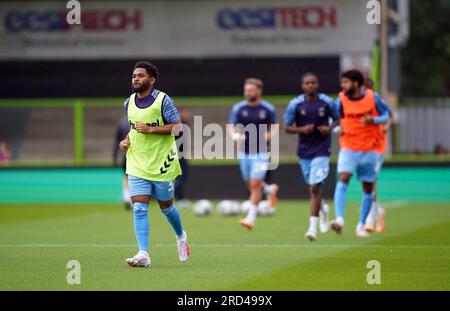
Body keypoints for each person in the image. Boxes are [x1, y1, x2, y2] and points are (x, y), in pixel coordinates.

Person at [119, 61, 190, 267]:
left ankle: (180, 236)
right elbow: (134, 129)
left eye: (140, 75)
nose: (136, 79)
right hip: (137, 162)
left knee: (166, 207)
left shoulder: (163, 100)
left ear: (152, 79)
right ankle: (143, 254)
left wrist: (150, 130)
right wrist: (126, 141)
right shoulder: (128, 102)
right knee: (139, 208)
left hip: (162, 162)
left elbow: (178, 128)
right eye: (134, 76)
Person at [331, 69, 390, 238]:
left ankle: (361, 225)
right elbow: (332, 118)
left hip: (368, 149)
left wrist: (373, 120)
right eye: (342, 82)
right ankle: (340, 219)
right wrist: (337, 129)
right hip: (348, 147)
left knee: (368, 187)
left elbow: (386, 116)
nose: (343, 86)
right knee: (343, 178)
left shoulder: (372, 97)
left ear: (356, 83)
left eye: (346, 82)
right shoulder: (341, 99)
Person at [284, 73, 338, 241]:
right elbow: (287, 127)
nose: (311, 85)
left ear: (317, 84)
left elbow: (339, 119)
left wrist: (329, 128)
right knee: (313, 187)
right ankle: (323, 210)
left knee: (315, 187)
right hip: (304, 151)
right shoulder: (296, 104)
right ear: (303, 86)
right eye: (307, 83)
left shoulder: (327, 102)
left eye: (313, 82)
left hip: (322, 150)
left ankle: (312, 228)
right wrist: (302, 130)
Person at [228, 78, 279, 230]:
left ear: (258, 91)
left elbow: (275, 125)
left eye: (250, 90)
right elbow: (231, 126)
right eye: (246, 90)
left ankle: (250, 218)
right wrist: (235, 135)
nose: (247, 93)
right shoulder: (238, 108)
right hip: (244, 151)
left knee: (255, 183)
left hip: (262, 151)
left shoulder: (268, 108)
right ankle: (270, 190)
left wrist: (270, 135)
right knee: (251, 184)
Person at [363, 77, 393, 233]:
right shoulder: (358, 102)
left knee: (370, 181)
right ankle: (378, 213)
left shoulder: (377, 101)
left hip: (377, 147)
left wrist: (385, 127)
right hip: (363, 147)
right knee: (368, 183)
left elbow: (389, 115)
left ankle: (369, 219)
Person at [113, 115, 132, 209]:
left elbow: (117, 141)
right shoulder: (138, 120)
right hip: (138, 155)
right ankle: (132, 199)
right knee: (136, 176)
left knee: (126, 176)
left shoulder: (121, 122)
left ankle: (126, 196)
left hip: (125, 155)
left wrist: (114, 157)